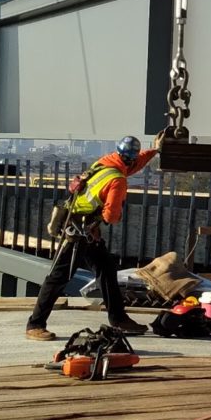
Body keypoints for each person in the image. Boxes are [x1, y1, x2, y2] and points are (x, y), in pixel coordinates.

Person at [26, 134, 159, 341]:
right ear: (130, 157)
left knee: (107, 270)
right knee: (58, 277)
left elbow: (133, 165)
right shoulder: (117, 180)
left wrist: (154, 150)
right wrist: (117, 213)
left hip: (84, 229)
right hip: (80, 233)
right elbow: (111, 216)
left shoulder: (105, 162)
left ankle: (119, 318)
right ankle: (35, 324)